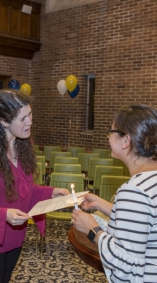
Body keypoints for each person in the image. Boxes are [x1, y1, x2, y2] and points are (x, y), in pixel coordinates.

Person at [0, 89, 69, 283]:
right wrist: (3, 215)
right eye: (23, 118)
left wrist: (51, 192)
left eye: (30, 114)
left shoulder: (23, 144)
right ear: (3, 122)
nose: (30, 122)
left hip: (13, 235)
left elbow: (23, 188)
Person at [71, 104, 157, 283]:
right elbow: (145, 223)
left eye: (111, 132)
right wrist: (101, 204)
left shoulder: (135, 191)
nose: (108, 137)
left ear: (126, 141)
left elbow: (127, 266)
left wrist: (92, 229)